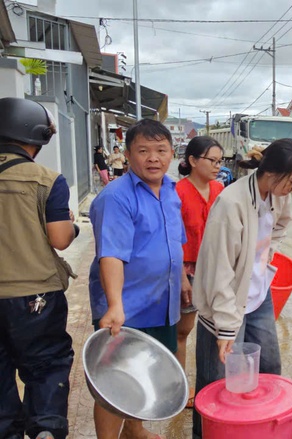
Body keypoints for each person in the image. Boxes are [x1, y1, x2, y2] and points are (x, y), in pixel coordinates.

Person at [191, 138, 292, 439]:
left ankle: (257, 428)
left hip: (258, 296)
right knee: (215, 384)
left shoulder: (277, 195)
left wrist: (268, 255)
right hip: (224, 304)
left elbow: (282, 223)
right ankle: (206, 434)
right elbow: (220, 272)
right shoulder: (231, 203)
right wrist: (227, 328)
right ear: (272, 172)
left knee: (269, 366)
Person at [88, 119, 186, 439]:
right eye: (143, 151)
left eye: (160, 150)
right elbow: (111, 254)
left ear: (172, 153)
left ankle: (135, 429)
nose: (153, 158)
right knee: (114, 380)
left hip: (162, 300)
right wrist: (115, 304)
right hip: (127, 305)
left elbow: (175, 241)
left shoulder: (171, 191)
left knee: (143, 371)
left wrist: (182, 278)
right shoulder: (116, 197)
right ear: (127, 155)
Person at [0, 97, 77, 439]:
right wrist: (72, 226)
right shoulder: (47, 179)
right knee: (46, 366)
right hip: (35, 296)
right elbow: (60, 239)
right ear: (35, 136)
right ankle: (46, 430)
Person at [175, 136, 225, 407]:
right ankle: (181, 388)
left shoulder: (220, 188)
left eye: (220, 161)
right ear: (193, 161)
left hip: (216, 268)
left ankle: (214, 385)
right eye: (212, 161)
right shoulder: (177, 192)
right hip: (188, 271)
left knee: (217, 329)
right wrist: (182, 277)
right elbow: (173, 239)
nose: (218, 166)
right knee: (184, 330)